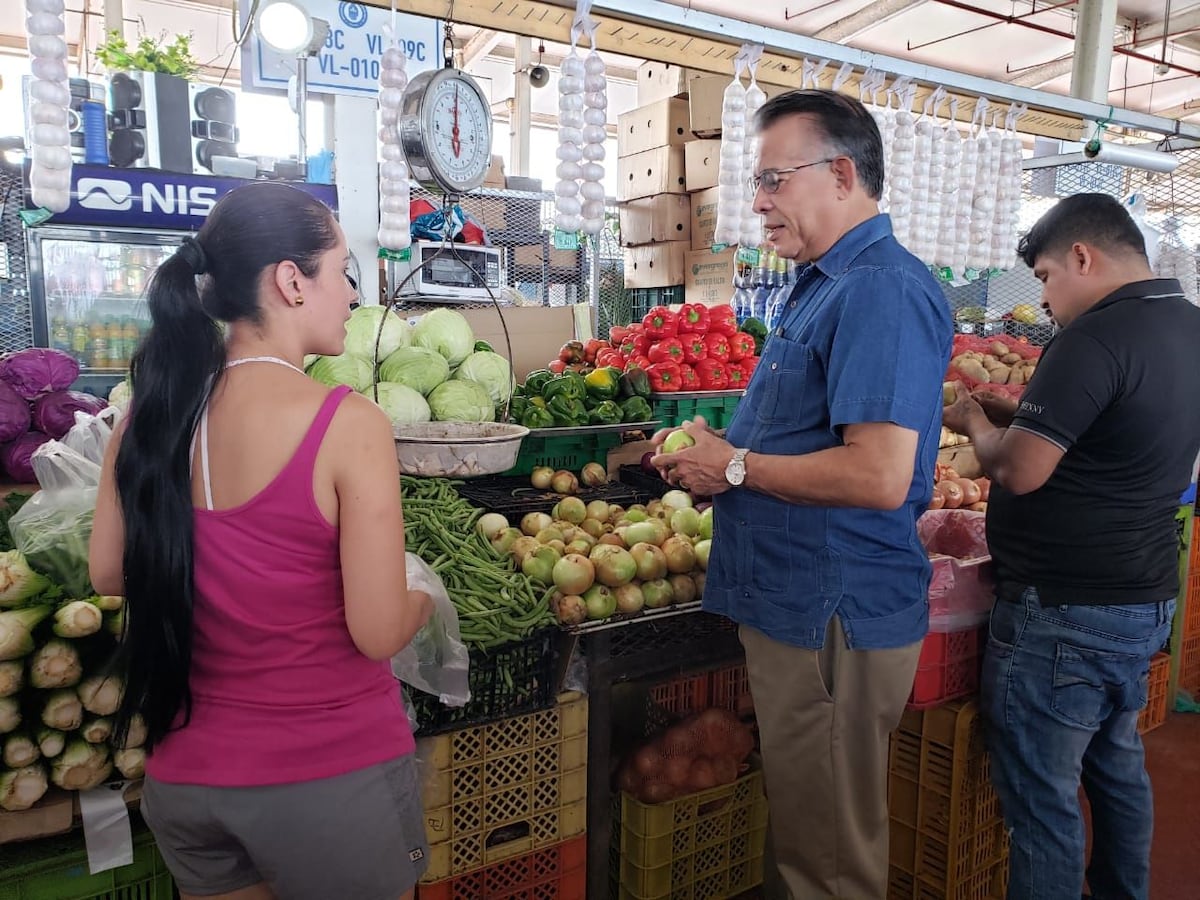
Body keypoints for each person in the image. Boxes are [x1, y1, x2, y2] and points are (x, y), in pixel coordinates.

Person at [89, 182, 434, 900]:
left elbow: (109, 571)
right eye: (341, 270)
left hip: (187, 781)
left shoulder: (147, 418)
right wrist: (423, 595)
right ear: (290, 281)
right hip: (327, 782)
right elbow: (376, 631)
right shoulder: (348, 422)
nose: (350, 294)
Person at [651, 89, 952, 899]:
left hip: (833, 615)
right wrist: (713, 458)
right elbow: (802, 442)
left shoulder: (878, 290)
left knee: (827, 862)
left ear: (842, 174)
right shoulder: (823, 284)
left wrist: (736, 469)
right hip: (798, 604)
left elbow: (879, 474)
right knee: (807, 832)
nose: (758, 203)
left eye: (774, 180)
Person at [942, 192, 1200, 900]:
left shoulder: (1091, 338)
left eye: (1049, 277)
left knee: (1044, 804)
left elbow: (1020, 468)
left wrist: (973, 422)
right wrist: (1011, 411)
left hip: (1063, 612)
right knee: (1116, 769)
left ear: (1084, 257)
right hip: (1139, 597)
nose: (1048, 298)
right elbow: (1109, 431)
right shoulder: (1187, 327)